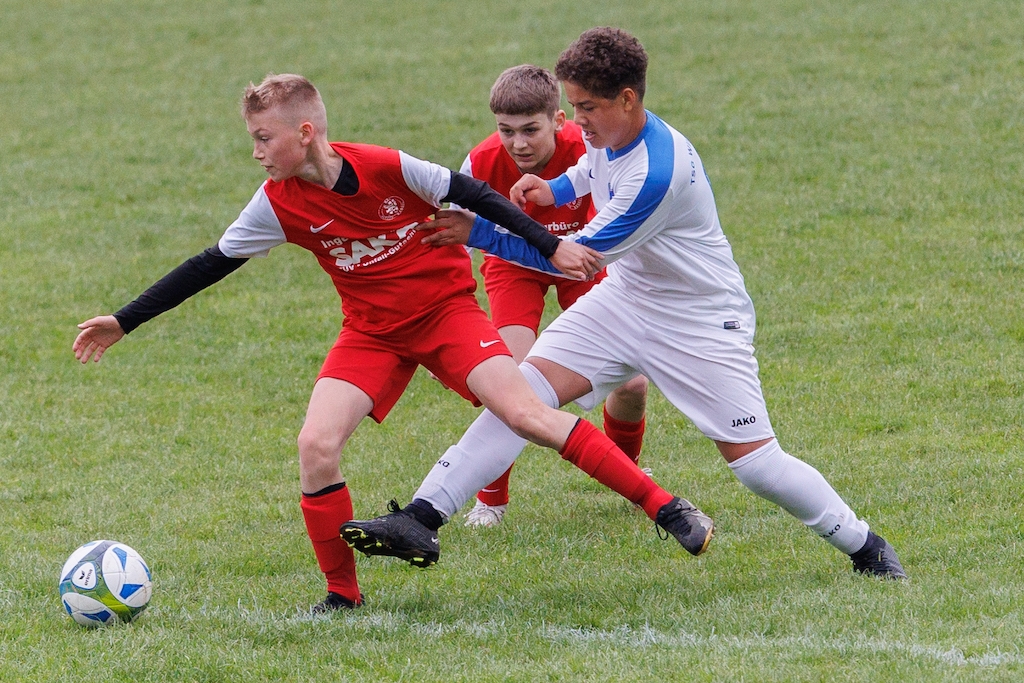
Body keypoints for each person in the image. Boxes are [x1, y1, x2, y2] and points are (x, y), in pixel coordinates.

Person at [72, 73, 714, 615]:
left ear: (305, 133)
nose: (257, 153)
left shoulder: (387, 166)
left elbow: (474, 194)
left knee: (525, 414)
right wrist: (124, 321)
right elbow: (210, 263)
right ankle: (342, 597)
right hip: (371, 335)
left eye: (264, 139)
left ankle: (665, 508)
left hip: (446, 315)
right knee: (316, 446)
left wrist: (549, 245)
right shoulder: (275, 203)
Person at [342, 28, 906, 579]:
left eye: (586, 107)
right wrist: (555, 189)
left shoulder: (655, 175)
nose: (577, 120)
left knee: (757, 466)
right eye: (573, 106)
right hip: (624, 301)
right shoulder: (607, 134)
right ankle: (421, 517)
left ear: (628, 99)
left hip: (699, 322)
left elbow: (573, 260)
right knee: (519, 397)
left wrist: (479, 232)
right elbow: (590, 169)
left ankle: (866, 546)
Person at [457, 64, 650, 528]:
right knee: (508, 380)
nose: (518, 143)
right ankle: (490, 501)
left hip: (580, 262)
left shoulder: (592, 149)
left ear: (559, 121)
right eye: (506, 131)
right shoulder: (480, 163)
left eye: (530, 130)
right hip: (513, 265)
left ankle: (625, 476)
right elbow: (458, 239)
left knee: (632, 384)